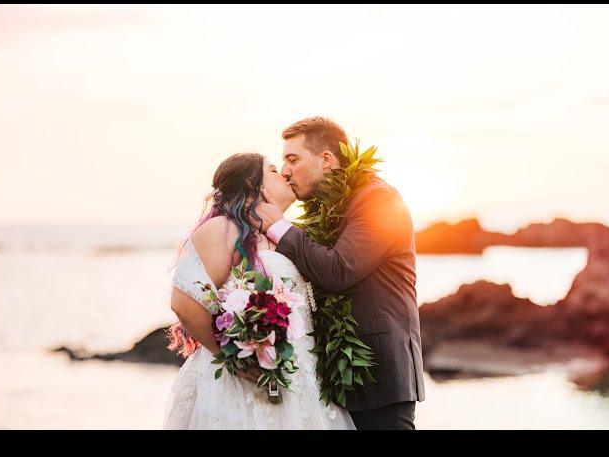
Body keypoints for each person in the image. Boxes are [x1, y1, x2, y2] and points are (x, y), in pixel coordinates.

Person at [162, 152, 356, 430]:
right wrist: (236, 357)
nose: (286, 174)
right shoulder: (223, 229)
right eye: (275, 170)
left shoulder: (285, 236)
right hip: (240, 387)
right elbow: (185, 300)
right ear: (253, 184)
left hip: (300, 383)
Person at [254, 116, 426, 430]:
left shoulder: (378, 199)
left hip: (379, 375)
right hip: (338, 379)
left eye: (293, 159)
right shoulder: (330, 208)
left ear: (327, 159)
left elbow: (338, 269)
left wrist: (279, 226)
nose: (286, 170)